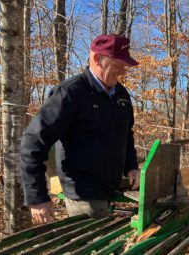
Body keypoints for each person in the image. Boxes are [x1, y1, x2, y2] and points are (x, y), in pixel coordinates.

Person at [20, 34, 141, 223]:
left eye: (125, 66)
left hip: (110, 188)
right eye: (118, 65)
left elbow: (126, 135)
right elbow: (33, 141)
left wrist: (131, 167)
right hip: (82, 192)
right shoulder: (71, 93)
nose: (123, 72)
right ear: (97, 59)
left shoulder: (121, 96)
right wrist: (37, 196)